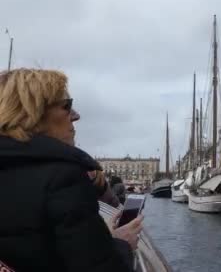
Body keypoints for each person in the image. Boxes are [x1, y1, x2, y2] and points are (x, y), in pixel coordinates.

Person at [0, 69, 135, 271]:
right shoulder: (62, 177)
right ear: (34, 114)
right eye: (67, 105)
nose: (76, 115)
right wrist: (122, 246)